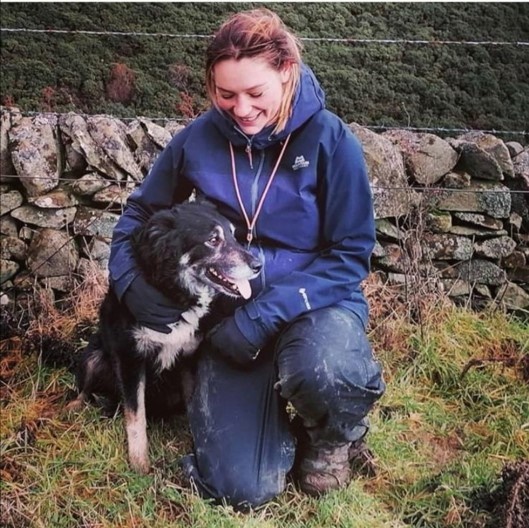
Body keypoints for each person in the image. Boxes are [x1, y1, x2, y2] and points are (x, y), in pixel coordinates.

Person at [108, 8, 385, 509]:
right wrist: (130, 284)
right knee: (242, 490)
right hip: (225, 319)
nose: (240, 108)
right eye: (225, 94)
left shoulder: (331, 141)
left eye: (255, 93)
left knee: (328, 368)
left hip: (313, 303)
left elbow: (349, 257)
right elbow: (139, 214)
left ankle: (334, 435)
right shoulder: (197, 139)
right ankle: (264, 426)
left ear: (287, 71)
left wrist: (262, 316)